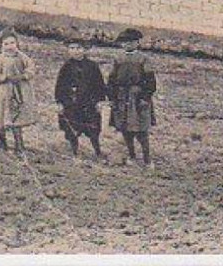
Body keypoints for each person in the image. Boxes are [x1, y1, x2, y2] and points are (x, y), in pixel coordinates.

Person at [106, 28, 157, 167]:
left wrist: (144, 98)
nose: (127, 45)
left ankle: (147, 160)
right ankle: (132, 156)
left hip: (137, 98)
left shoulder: (143, 59)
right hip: (122, 98)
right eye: (124, 42)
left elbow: (151, 81)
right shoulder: (118, 58)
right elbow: (112, 79)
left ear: (137, 43)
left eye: (130, 42)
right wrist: (111, 97)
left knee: (141, 130)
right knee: (125, 129)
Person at [54, 38, 108, 159]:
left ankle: (97, 150)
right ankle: (75, 151)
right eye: (72, 48)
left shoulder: (92, 66)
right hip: (71, 103)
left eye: (78, 48)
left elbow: (99, 85)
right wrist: (59, 102)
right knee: (72, 128)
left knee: (93, 129)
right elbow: (59, 86)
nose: (75, 51)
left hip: (89, 103)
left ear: (85, 50)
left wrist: (100, 101)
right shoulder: (66, 67)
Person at [0, 28, 32, 153]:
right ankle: (2, 142)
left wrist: (24, 76)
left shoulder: (23, 58)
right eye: (6, 44)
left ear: (17, 44)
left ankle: (19, 144)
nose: (9, 46)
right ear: (1, 46)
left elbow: (31, 69)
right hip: (3, 93)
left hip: (18, 93)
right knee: (0, 117)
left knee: (17, 118)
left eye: (12, 43)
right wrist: (3, 77)